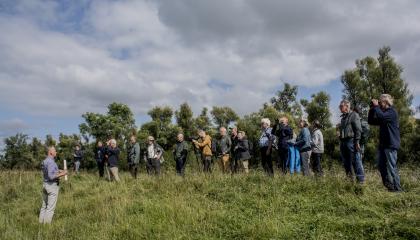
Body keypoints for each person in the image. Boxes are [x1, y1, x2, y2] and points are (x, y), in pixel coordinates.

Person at [368, 94, 402, 192]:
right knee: (380, 165)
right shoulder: (383, 113)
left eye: (380, 101)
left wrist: (376, 106)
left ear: (385, 102)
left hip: (391, 144)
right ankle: (390, 187)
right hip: (383, 145)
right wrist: (371, 109)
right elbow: (371, 121)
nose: (379, 103)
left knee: (392, 167)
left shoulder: (391, 112)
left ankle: (398, 190)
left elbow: (382, 117)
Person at [39, 146, 67, 224]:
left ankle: (40, 223)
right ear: (51, 152)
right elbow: (51, 176)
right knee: (50, 208)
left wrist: (58, 170)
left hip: (45, 185)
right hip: (51, 186)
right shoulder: (51, 162)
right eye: (55, 151)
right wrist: (63, 173)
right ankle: (46, 227)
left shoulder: (45, 161)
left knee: (44, 206)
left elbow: (49, 171)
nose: (56, 152)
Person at [339, 100, 365, 183]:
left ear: (347, 106)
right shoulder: (343, 118)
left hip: (351, 141)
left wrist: (357, 141)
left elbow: (358, 129)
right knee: (346, 163)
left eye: (341, 106)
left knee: (355, 162)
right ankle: (350, 181)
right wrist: (340, 136)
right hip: (343, 142)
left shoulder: (354, 115)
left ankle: (360, 182)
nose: (340, 108)